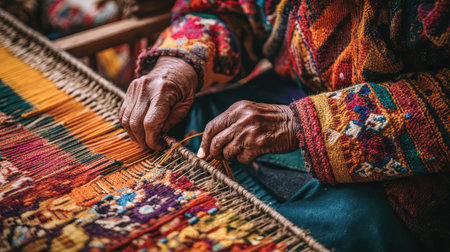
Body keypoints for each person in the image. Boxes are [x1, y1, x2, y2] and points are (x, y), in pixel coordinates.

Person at [119, 0, 449, 250]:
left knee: (350, 227)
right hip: (290, 94)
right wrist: (177, 63)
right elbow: (227, 9)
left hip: (406, 163)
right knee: (183, 117)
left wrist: (301, 124)